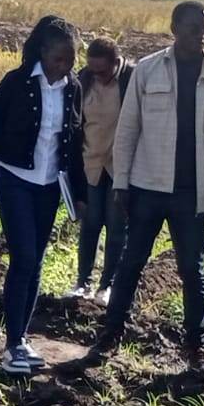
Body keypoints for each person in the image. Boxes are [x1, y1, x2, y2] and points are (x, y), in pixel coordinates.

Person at [92, 1, 204, 381]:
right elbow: (128, 130)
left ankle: (196, 346)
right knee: (131, 262)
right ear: (174, 28)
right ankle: (111, 333)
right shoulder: (147, 70)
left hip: (193, 193)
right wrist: (121, 183)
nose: (200, 35)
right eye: (192, 27)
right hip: (147, 187)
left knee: (193, 269)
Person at [0, 16, 85, 376]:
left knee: (37, 261)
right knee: (23, 257)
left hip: (50, 185)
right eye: (58, 59)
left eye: (70, 60)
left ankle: (22, 338)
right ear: (43, 51)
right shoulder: (18, 82)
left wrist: (79, 191)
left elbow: (75, 139)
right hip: (16, 180)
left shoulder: (73, 87)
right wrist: (6, 156)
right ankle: (12, 345)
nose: (64, 67)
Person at [70, 37, 133, 305]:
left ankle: (107, 285)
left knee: (117, 227)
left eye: (103, 71)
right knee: (91, 223)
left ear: (116, 63)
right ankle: (83, 282)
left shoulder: (131, 80)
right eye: (93, 70)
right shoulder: (82, 81)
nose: (98, 75)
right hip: (92, 163)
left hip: (121, 167)